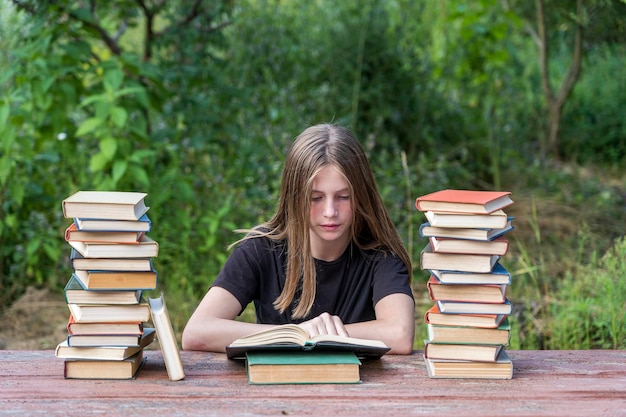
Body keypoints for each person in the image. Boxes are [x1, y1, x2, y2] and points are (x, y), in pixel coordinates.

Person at [182, 123, 415, 354]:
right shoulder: (261, 250)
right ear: (294, 197)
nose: (330, 211)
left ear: (362, 196)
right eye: (316, 198)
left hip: (359, 390)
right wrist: (294, 334)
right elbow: (197, 332)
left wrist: (319, 336)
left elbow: (400, 334)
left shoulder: (381, 258)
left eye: (343, 197)